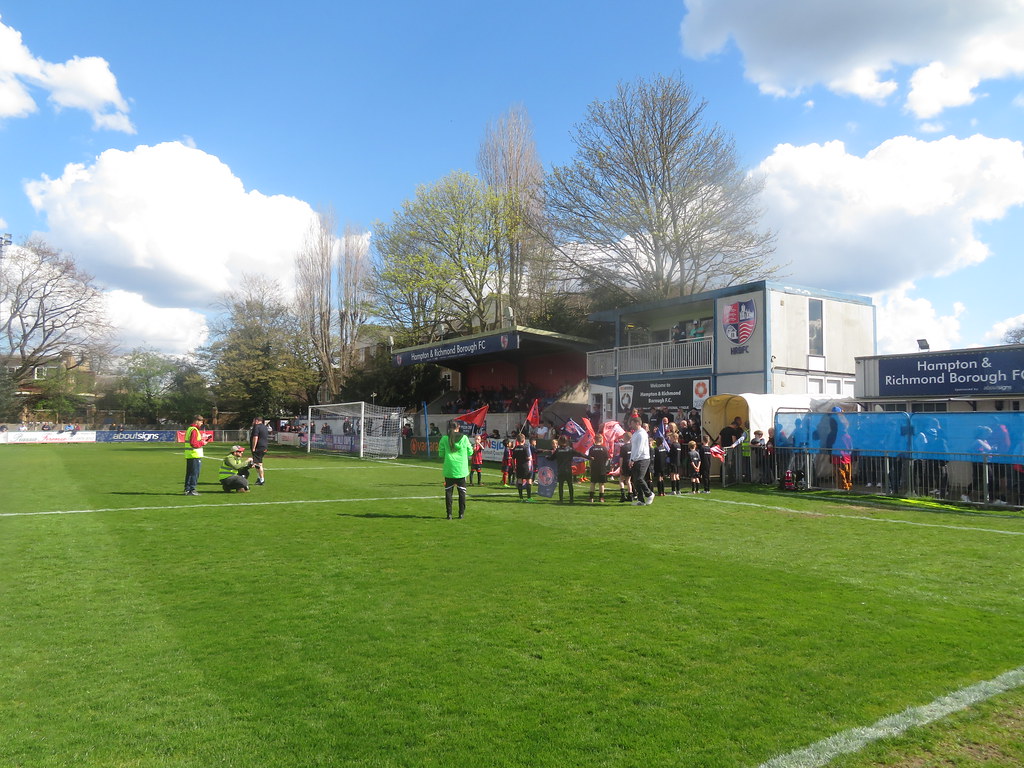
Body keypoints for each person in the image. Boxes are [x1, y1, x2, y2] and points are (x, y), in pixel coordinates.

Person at [438, 423, 473, 519]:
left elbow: (441, 454)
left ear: (449, 428)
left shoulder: (445, 439)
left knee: (448, 492)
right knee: (462, 493)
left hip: (449, 469)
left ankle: (449, 514)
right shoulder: (464, 438)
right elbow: (470, 451)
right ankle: (461, 513)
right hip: (461, 469)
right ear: (458, 428)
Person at [549, 436, 584, 503]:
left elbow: (551, 458)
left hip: (560, 470)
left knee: (561, 485)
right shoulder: (570, 449)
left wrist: (546, 457)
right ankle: (571, 499)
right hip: (568, 470)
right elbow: (580, 454)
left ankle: (561, 499)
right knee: (570, 485)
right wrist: (589, 457)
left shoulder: (558, 450)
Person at [628, 418, 654, 506]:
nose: (630, 425)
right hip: (635, 458)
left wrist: (633, 459)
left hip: (643, 459)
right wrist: (631, 459)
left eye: (632, 423)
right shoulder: (635, 434)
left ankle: (649, 494)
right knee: (635, 480)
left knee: (639, 478)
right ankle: (641, 500)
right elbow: (633, 448)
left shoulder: (642, 434)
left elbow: (640, 448)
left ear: (637, 423)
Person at [183, 415, 208, 496]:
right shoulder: (194, 430)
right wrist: (202, 443)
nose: (201, 423)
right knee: (194, 473)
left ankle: (187, 489)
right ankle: (192, 490)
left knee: (189, 473)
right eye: (201, 421)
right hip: (195, 455)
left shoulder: (190, 429)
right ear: (196, 421)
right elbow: (193, 443)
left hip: (190, 455)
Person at [587, 434, 611, 503]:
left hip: (594, 468)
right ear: (601, 440)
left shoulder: (592, 449)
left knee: (592, 483)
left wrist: (590, 466)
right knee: (601, 484)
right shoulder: (604, 449)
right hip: (602, 468)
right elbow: (607, 458)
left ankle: (591, 498)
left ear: (595, 440)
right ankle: (601, 498)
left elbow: (590, 458)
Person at [511, 433, 535, 502]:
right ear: (524, 440)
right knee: (529, 481)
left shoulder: (515, 448)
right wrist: (530, 458)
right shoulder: (526, 447)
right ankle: (529, 498)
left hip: (518, 466)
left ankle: (521, 498)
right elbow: (528, 457)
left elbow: (513, 459)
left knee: (519, 481)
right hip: (526, 467)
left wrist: (514, 467)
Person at [250, 417, 270, 486]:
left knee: (259, 464)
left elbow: (255, 437)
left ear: (256, 421)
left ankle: (261, 479)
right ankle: (259, 478)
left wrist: (253, 447)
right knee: (257, 462)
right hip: (264, 446)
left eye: (253, 420)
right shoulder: (264, 427)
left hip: (259, 447)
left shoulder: (256, 427)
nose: (252, 422)